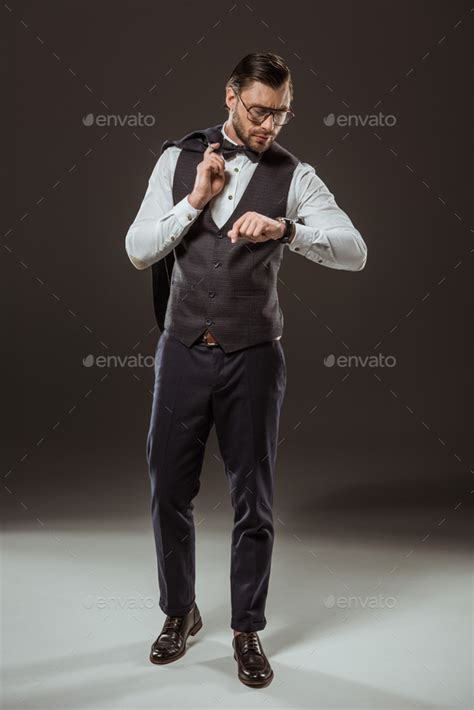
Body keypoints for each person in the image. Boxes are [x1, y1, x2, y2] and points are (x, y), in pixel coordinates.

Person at [125, 51, 367, 688]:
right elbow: (136, 248)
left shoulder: (296, 175)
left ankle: (247, 629)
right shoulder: (177, 159)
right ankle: (180, 613)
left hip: (254, 357)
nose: (269, 127)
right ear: (230, 95)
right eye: (259, 111)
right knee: (168, 490)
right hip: (180, 351)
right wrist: (193, 202)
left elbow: (355, 252)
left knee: (252, 502)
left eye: (281, 115)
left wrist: (288, 230)